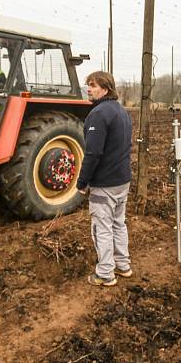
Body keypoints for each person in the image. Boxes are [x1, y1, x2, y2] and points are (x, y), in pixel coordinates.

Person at [76, 71, 133, 287]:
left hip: (105, 184)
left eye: (93, 85)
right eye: (87, 85)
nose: (88, 89)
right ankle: (123, 265)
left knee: (102, 227)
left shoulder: (98, 114)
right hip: (122, 181)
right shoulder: (122, 111)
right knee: (118, 223)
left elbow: (93, 153)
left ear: (105, 89)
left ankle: (105, 273)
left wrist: (82, 182)